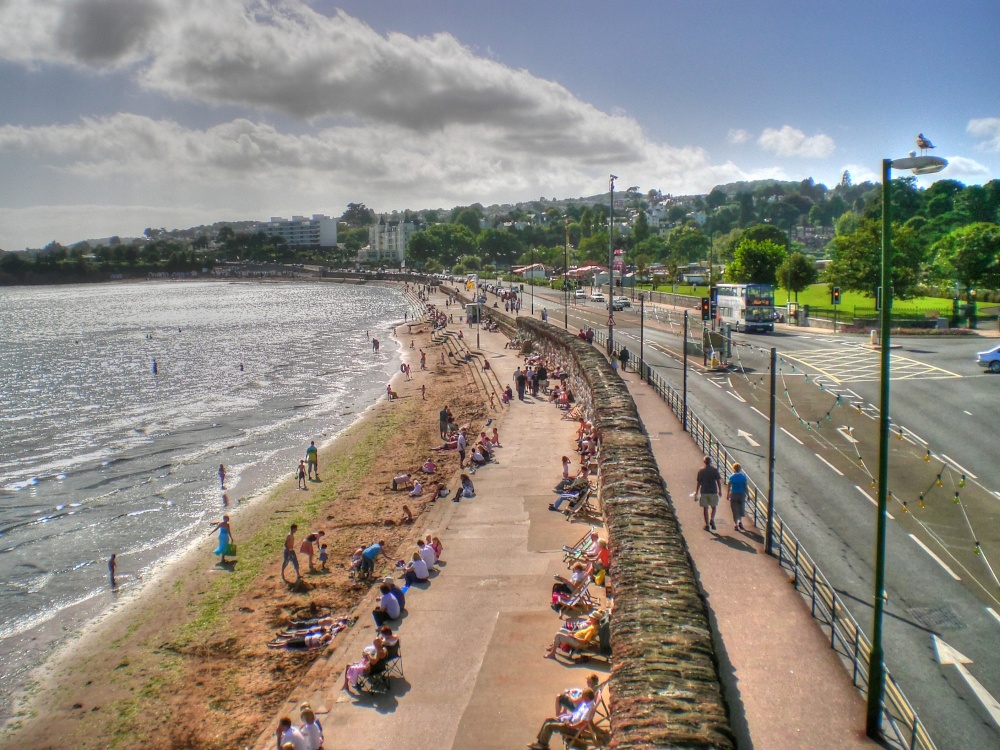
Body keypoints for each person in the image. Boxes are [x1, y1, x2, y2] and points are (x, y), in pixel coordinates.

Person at [526, 688, 596, 749]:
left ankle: (543, 745)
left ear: (587, 697)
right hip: (570, 720)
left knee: (549, 726)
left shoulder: (589, 708)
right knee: (548, 720)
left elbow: (583, 723)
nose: (582, 697)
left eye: (583, 696)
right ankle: (540, 742)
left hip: (572, 728)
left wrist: (572, 726)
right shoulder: (587, 703)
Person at [695, 456, 723, 531]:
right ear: (710, 462)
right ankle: (712, 519)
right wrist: (720, 491)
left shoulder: (701, 471)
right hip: (713, 491)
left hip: (704, 491)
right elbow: (718, 481)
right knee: (714, 507)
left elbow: (699, 482)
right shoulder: (714, 470)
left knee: (705, 508)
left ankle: (707, 524)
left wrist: (696, 492)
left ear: (704, 462)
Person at [727, 462, 749, 531]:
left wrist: (728, 494)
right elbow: (745, 487)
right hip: (741, 495)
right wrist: (748, 495)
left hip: (734, 494)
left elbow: (729, 486)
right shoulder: (743, 477)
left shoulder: (731, 477)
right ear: (740, 469)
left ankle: (735, 524)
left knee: (734, 509)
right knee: (741, 508)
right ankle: (740, 521)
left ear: (734, 469)